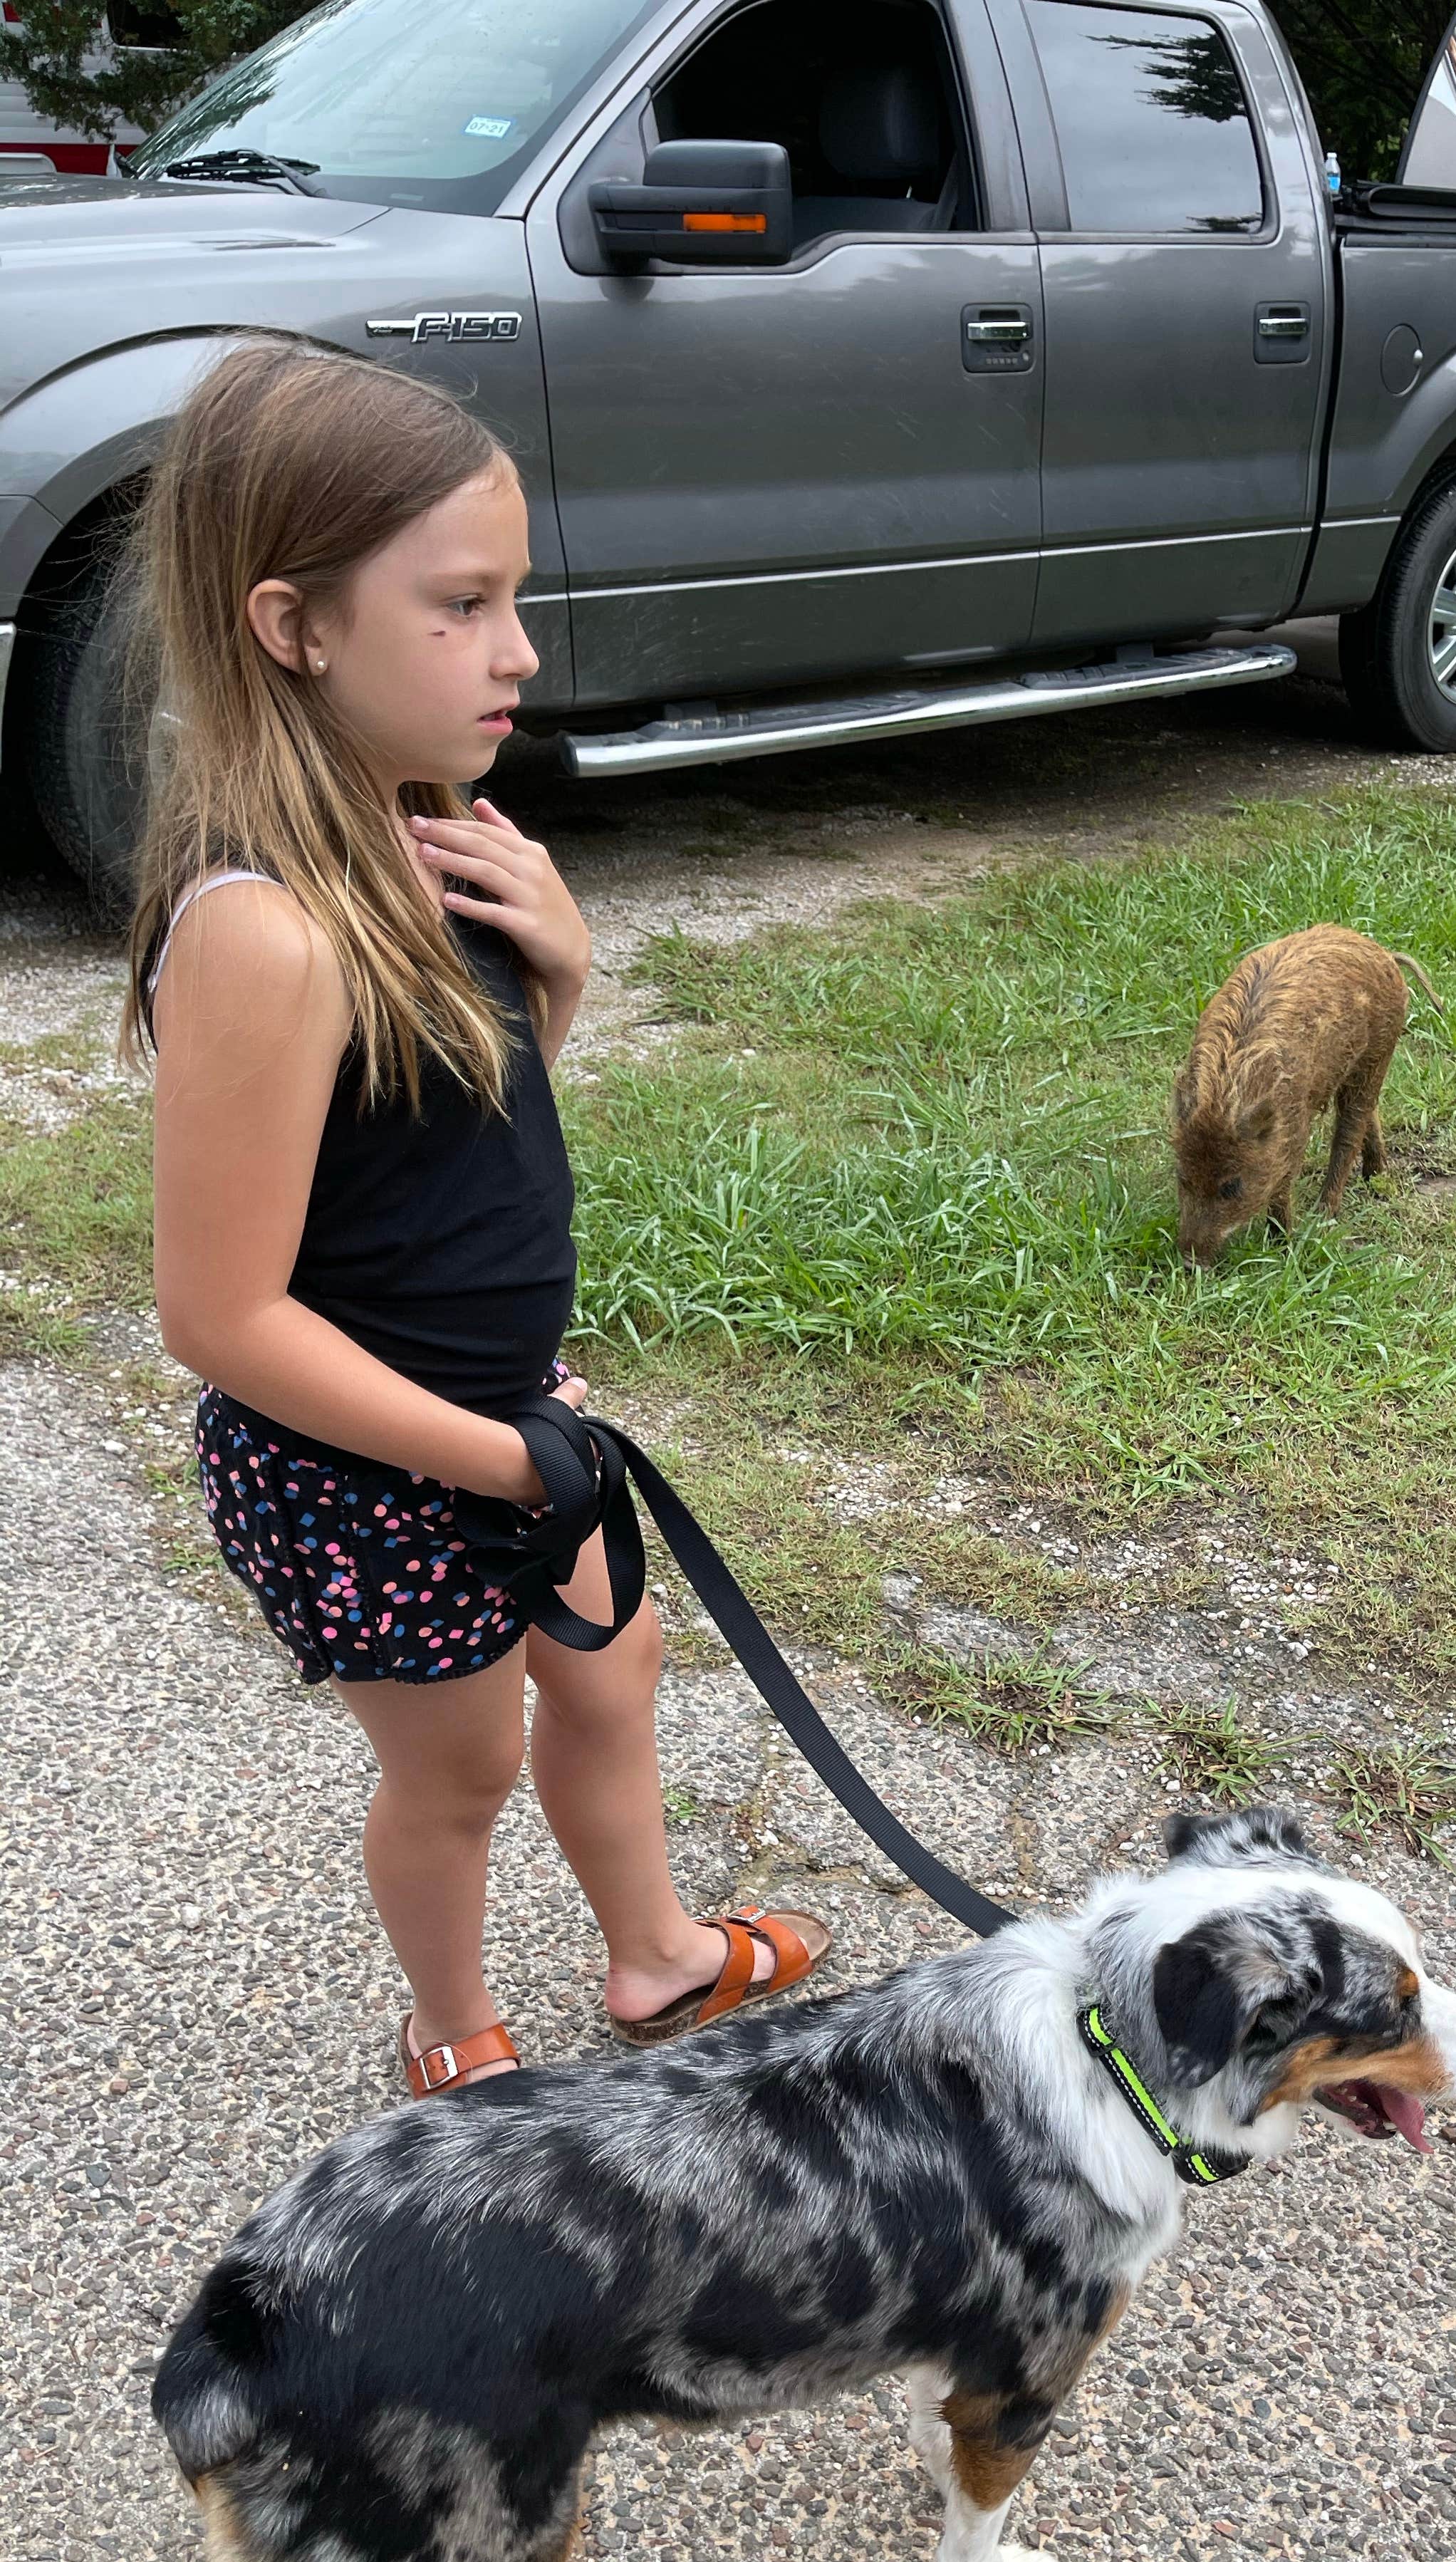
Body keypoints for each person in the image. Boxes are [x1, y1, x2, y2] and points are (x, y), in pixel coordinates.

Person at [128, 338, 829, 2097]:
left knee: (614, 1670)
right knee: (461, 1774)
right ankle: (454, 2037)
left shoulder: (434, 840)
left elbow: (452, 1136)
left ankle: (658, 1956)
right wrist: (484, 1455)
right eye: (462, 604)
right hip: (368, 1457)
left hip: (509, 1416)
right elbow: (221, 1318)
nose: (518, 648)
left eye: (515, 596)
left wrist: (563, 974)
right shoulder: (261, 927)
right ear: (294, 627)